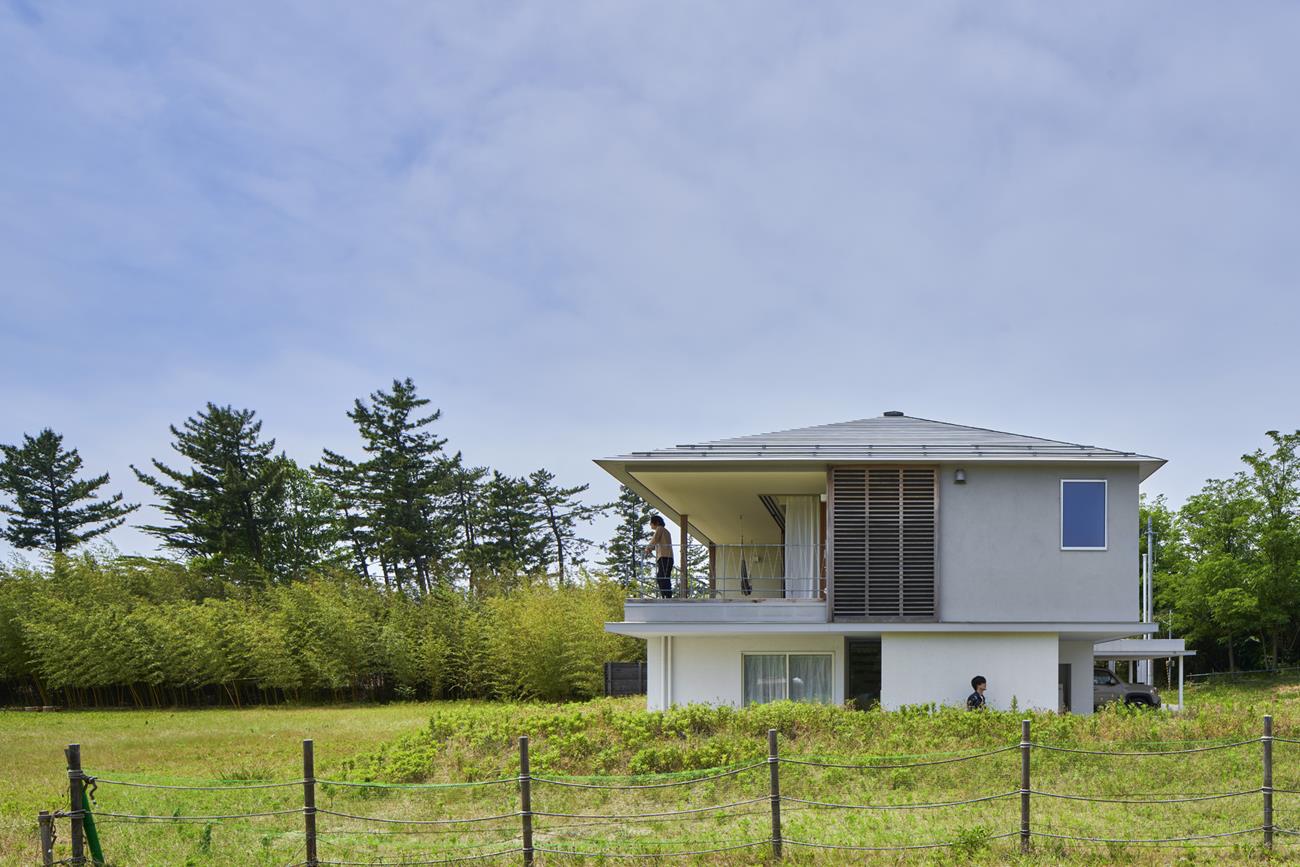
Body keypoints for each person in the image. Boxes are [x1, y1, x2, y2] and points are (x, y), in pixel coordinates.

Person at [645, 515, 674, 598]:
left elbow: (655, 539)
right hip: (668, 557)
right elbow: (658, 542)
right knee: (663, 577)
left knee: (662, 577)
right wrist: (651, 548)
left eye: (651, 523)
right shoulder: (666, 531)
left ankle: (666, 596)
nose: (650, 525)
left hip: (664, 557)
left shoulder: (660, 529)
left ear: (656, 523)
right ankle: (666, 596)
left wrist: (648, 548)